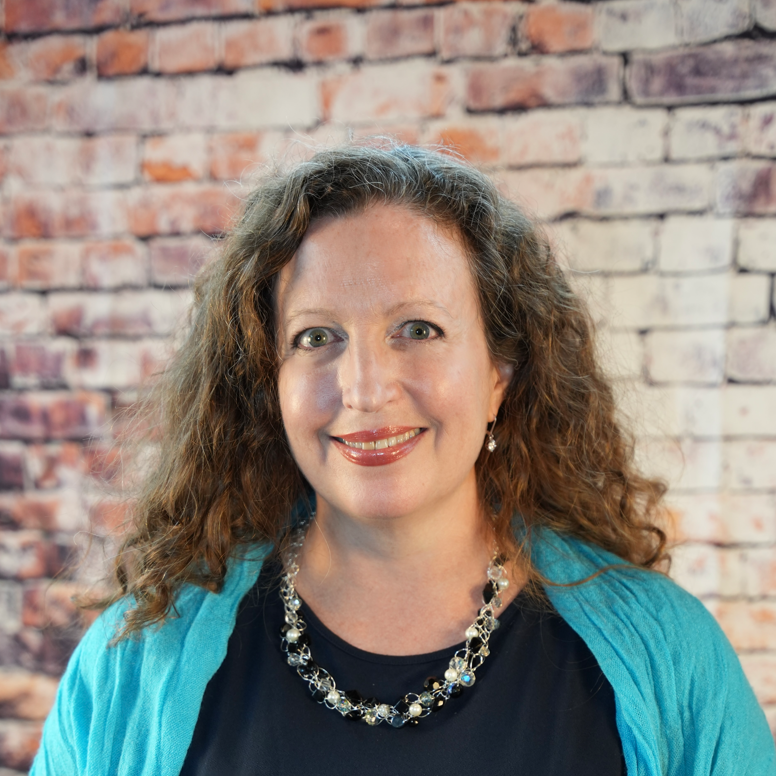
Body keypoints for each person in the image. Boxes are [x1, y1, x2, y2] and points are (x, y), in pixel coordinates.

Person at [31, 143, 774, 775]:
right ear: (269, 385)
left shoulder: (670, 657)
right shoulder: (134, 665)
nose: (364, 390)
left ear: (500, 374)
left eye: (417, 328)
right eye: (316, 337)